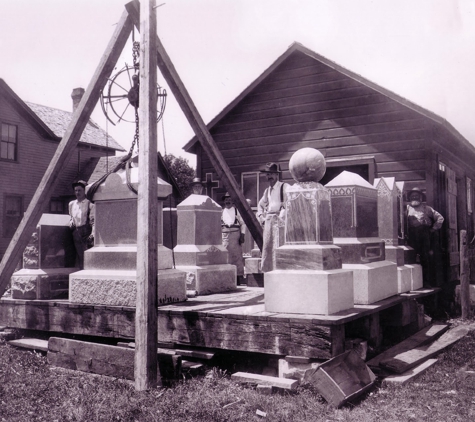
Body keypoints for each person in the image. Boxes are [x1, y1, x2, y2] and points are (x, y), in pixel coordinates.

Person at [405, 187, 444, 287]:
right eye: (413, 196)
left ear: (421, 198)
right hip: (411, 237)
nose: (415, 198)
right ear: (409, 198)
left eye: (417, 196)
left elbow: (440, 218)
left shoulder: (427, 209)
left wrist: (433, 229)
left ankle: (425, 282)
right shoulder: (407, 209)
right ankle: (413, 284)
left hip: (424, 237)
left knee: (425, 258)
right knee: (411, 258)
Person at [257, 162, 289, 272]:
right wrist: (261, 216)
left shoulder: (284, 187)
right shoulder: (267, 191)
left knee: (279, 246)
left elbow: (289, 203)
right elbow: (260, 205)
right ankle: (268, 271)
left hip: (280, 221)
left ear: (276, 175)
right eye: (267, 174)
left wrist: (281, 218)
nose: (269, 177)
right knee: (267, 247)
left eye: (271, 174)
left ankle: (281, 270)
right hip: (268, 222)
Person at [69, 180, 95, 269]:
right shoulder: (72, 204)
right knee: (79, 255)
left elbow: (93, 220)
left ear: (85, 191)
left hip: (86, 231)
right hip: (76, 231)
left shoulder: (89, 204)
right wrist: (71, 221)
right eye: (76, 190)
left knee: (87, 255)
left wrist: (92, 233)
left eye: (79, 190)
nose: (77, 192)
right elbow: (71, 216)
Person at [221, 192, 246, 284]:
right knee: (226, 257)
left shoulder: (236, 211)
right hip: (225, 237)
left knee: (237, 256)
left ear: (232, 201)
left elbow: (243, 224)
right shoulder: (221, 212)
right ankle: (227, 277)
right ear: (224, 201)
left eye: (230, 199)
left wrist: (242, 235)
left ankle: (238, 278)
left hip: (236, 236)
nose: (228, 201)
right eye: (226, 199)